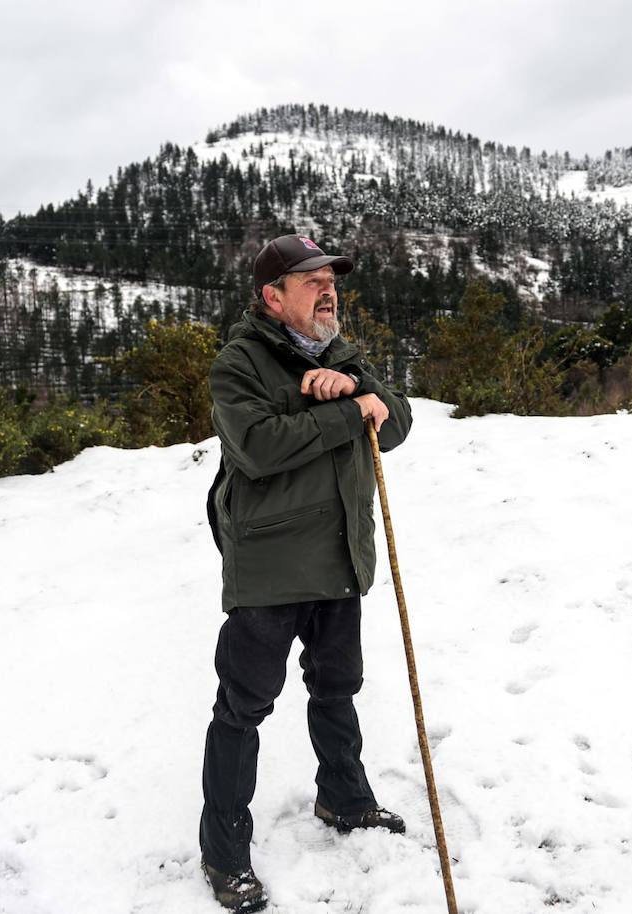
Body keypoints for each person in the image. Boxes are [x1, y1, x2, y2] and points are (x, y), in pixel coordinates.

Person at [199, 234, 413, 911]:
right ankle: (224, 853)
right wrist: (348, 411)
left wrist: (359, 391)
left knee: (337, 687)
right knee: (242, 708)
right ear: (272, 296)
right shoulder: (240, 364)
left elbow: (397, 420)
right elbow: (259, 447)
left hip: (340, 557)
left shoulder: (343, 356)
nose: (329, 290)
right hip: (270, 564)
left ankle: (343, 800)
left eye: (331, 280)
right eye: (312, 281)